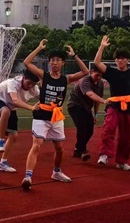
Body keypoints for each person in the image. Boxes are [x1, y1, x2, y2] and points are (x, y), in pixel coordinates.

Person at [21, 39, 89, 190]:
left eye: (58, 60)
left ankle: (56, 172)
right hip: (41, 115)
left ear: (63, 63)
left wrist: (75, 55)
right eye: (52, 60)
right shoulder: (43, 76)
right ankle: (28, 176)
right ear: (49, 62)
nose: (54, 63)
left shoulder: (66, 79)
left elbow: (85, 72)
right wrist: (39, 48)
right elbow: (27, 62)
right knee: (36, 145)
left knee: (59, 148)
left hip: (56, 117)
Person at [94, 35, 130, 171]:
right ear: (115, 60)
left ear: (127, 60)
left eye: (123, 58)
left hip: (128, 106)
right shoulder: (111, 72)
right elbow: (97, 62)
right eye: (118, 58)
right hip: (114, 105)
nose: (120, 60)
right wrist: (102, 46)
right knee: (109, 129)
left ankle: (121, 161)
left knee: (127, 135)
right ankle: (104, 154)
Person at [0, 69, 41, 173]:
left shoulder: (34, 89)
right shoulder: (13, 83)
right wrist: (31, 107)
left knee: (13, 136)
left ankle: (2, 163)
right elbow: (15, 100)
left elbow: (42, 98)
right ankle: (1, 141)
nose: (31, 86)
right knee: (5, 111)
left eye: (34, 84)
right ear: (24, 78)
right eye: (29, 82)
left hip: (11, 106)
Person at [67, 66, 107, 162]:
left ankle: (78, 149)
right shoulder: (85, 81)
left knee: (90, 130)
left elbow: (96, 100)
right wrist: (105, 101)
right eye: (97, 75)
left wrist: (95, 115)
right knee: (82, 127)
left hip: (86, 108)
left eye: (101, 76)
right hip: (75, 105)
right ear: (91, 72)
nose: (99, 78)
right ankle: (83, 150)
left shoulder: (100, 84)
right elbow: (91, 94)